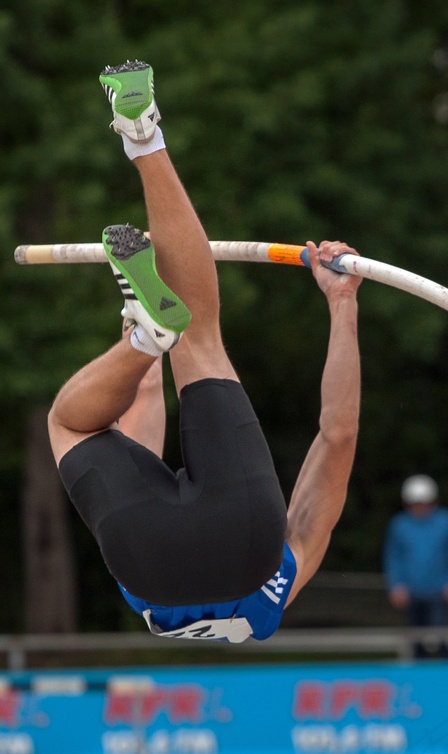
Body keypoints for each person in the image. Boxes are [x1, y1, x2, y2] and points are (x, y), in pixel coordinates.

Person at [48, 60, 362, 644]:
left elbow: (337, 435)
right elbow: (138, 399)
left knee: (198, 336)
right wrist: (136, 345)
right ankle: (141, 335)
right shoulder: (165, 604)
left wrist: (342, 305)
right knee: (76, 425)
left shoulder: (276, 593)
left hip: (246, 543)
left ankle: (146, 138)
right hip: (147, 561)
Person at [383, 474, 448, 658]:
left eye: (423, 502)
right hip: (411, 592)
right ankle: (418, 679)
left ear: (432, 501)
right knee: (415, 639)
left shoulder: (447, 522)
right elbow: (393, 558)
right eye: (415, 503)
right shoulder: (400, 525)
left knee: (440, 636)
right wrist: (396, 585)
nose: (420, 507)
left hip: (439, 591)